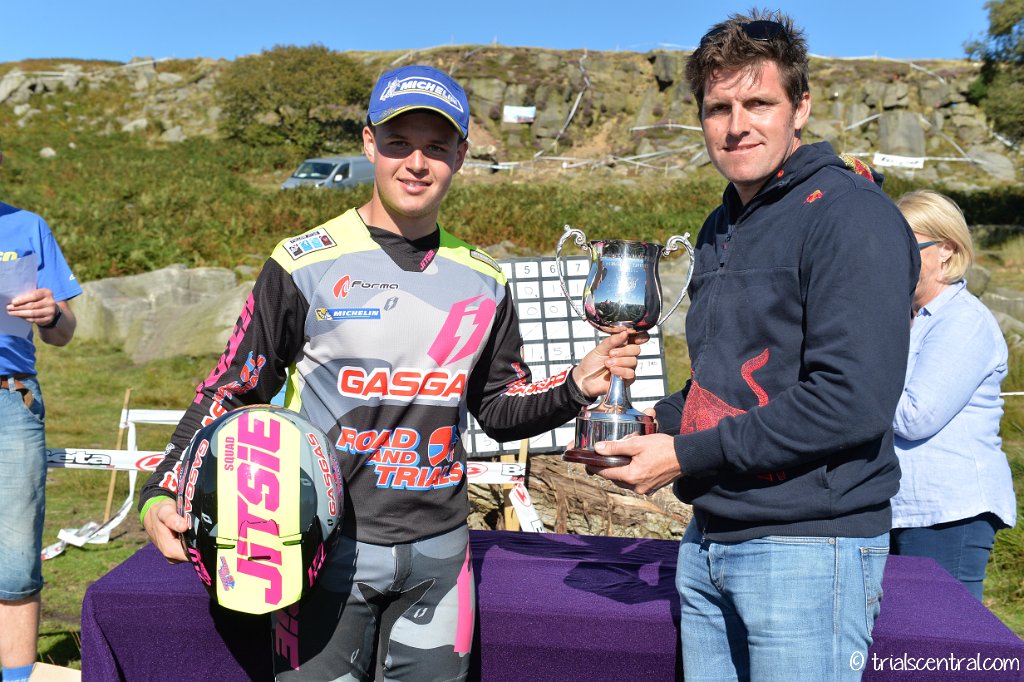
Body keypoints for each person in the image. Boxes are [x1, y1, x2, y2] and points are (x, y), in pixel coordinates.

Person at [139, 64, 645, 681]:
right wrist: (162, 489)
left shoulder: (484, 279)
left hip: (441, 555)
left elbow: (498, 408)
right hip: (319, 550)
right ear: (369, 143)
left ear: (461, 155)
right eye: (399, 143)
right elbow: (230, 389)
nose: (417, 163)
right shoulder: (303, 261)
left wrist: (576, 386)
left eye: (437, 147)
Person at [590, 10, 920, 681]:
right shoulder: (721, 224)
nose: (736, 125)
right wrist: (649, 423)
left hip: (809, 547)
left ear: (801, 107)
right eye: (719, 108)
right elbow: (728, 381)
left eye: (759, 103)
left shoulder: (851, 216)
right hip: (710, 539)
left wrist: (681, 455)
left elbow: (850, 402)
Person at [889, 189, 1017, 600]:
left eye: (907, 246)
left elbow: (915, 416)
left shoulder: (964, 321)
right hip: (900, 509)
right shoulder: (905, 319)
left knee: (943, 637)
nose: (892, 257)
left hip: (948, 513)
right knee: (901, 635)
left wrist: (850, 388)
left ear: (947, 249)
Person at [1, 142, 81, 682]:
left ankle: (15, 677)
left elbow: (64, 332)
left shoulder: (28, 226)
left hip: (10, 398)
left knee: (14, 554)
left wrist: (52, 312)